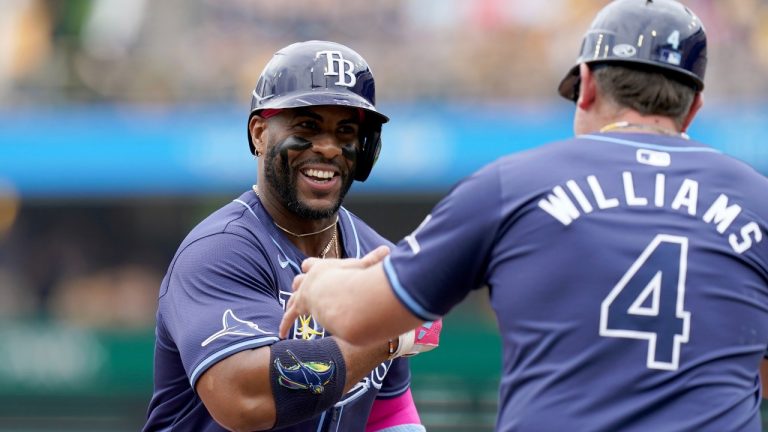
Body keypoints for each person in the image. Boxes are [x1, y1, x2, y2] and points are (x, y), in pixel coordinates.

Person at [281, 1, 768, 430]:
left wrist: (321, 282)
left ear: (589, 86)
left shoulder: (514, 184)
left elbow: (360, 317)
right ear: (695, 106)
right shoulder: (759, 201)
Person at [143, 40, 441, 432]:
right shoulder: (221, 249)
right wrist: (385, 334)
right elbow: (244, 397)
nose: (328, 147)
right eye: (307, 126)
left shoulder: (374, 252)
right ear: (259, 133)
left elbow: (388, 414)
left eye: (346, 130)